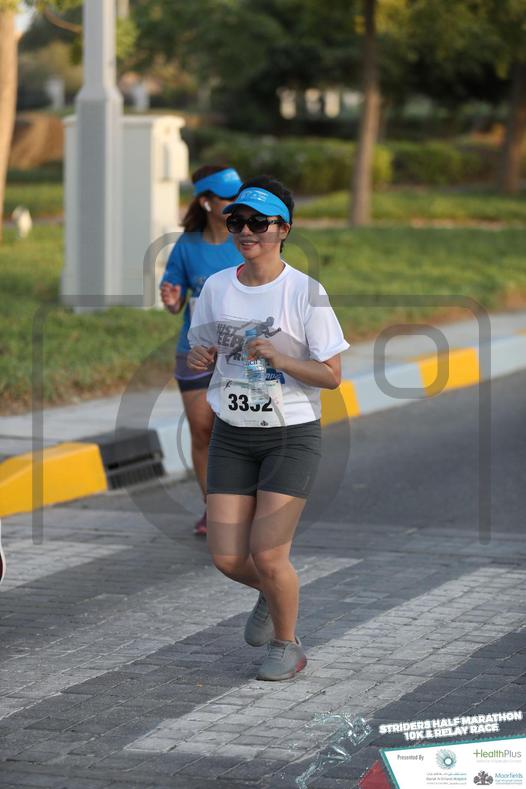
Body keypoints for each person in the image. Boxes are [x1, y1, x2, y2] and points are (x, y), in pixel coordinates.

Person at [187, 176, 350, 680]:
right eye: (237, 221)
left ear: (283, 230)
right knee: (226, 556)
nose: (246, 231)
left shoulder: (305, 292)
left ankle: (287, 644)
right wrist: (201, 356)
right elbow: (203, 349)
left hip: (289, 436)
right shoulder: (217, 287)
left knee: (269, 553)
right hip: (232, 433)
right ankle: (271, 593)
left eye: (259, 223)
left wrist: (282, 359)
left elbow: (332, 376)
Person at [160, 165, 243, 536]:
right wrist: (171, 299)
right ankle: (214, 508)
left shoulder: (246, 239)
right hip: (194, 352)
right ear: (207, 202)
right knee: (202, 430)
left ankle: (247, 501)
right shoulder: (187, 246)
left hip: (243, 355)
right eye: (229, 197)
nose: (237, 202)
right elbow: (175, 299)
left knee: (241, 430)